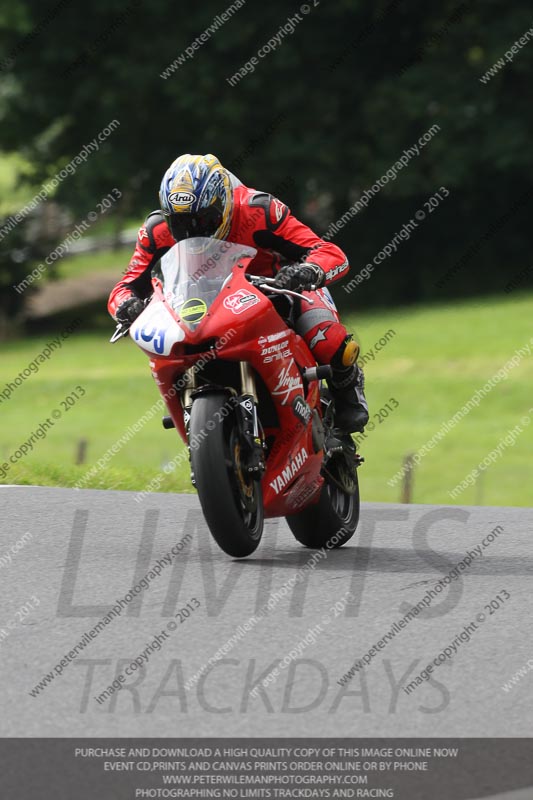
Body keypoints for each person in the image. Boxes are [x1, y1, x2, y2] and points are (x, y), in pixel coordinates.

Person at [108, 154, 368, 432]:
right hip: (203, 303)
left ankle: (349, 391)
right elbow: (125, 286)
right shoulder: (155, 230)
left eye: (203, 220)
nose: (193, 231)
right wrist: (127, 306)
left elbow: (328, 252)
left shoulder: (260, 210)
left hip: (280, 288)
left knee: (328, 341)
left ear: (223, 204)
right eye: (181, 223)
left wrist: (307, 273)